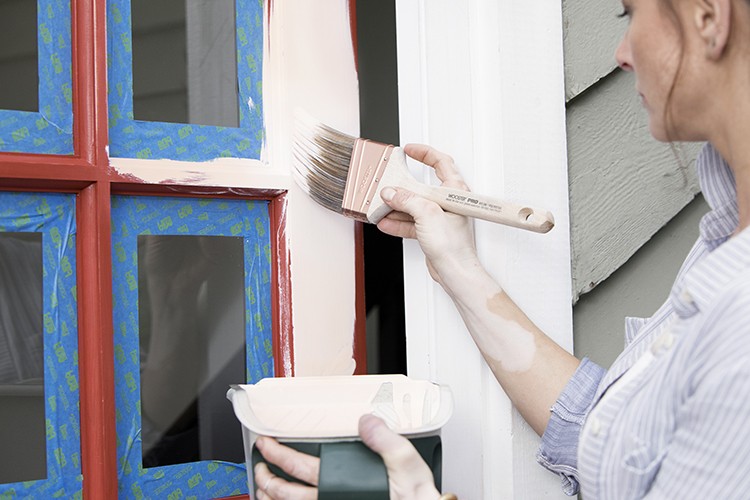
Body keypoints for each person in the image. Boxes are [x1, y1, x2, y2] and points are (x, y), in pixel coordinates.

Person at [254, 0, 750, 497]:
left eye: (629, 14)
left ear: (708, 16)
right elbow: (614, 443)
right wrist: (458, 266)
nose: (621, 54)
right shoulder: (724, 243)